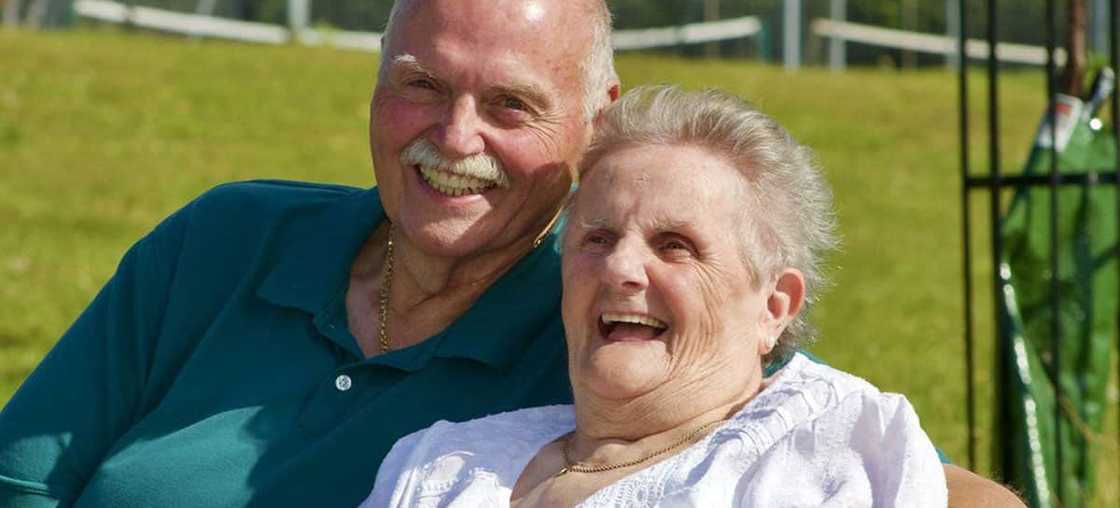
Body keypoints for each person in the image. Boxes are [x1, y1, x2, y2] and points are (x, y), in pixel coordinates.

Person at [0, 0, 1021, 506]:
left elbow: (911, 479)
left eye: (510, 105)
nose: (453, 137)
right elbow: (24, 478)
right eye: (420, 84)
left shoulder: (604, 322)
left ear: (594, 120)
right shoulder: (228, 240)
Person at [364, 85, 948, 506]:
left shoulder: (829, 446)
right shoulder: (440, 465)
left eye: (675, 246)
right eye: (597, 237)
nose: (620, 268)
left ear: (774, 307)